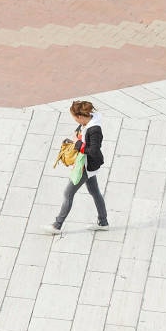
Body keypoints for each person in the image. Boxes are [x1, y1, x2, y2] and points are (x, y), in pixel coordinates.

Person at [45, 99, 109, 234]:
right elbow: (81, 135)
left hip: (86, 166)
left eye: (76, 119)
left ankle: (57, 225)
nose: (76, 122)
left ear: (80, 117)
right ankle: (103, 222)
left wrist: (77, 144)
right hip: (86, 163)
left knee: (68, 193)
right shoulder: (85, 124)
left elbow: (94, 151)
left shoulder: (95, 130)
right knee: (95, 192)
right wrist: (76, 139)